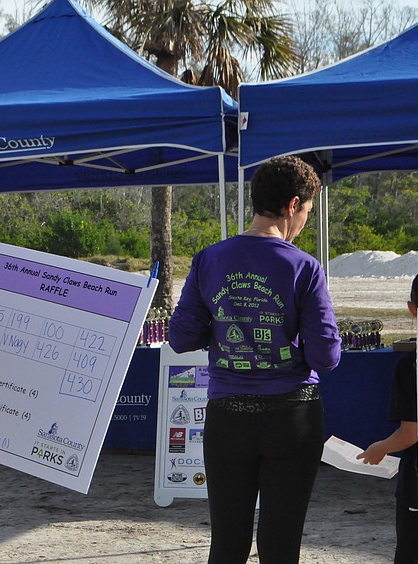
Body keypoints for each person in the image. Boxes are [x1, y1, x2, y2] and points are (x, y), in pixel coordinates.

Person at [168, 155, 342, 564]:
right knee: (281, 547)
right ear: (292, 206)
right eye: (308, 212)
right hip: (293, 418)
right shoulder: (305, 267)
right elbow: (326, 356)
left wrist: (227, 325)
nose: (304, 224)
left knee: (227, 545)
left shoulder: (209, 259)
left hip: (228, 419)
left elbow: (179, 338)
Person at [356, 267, 418, 564]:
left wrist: (381, 448)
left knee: (410, 548)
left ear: (411, 309)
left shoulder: (411, 366)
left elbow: (410, 433)